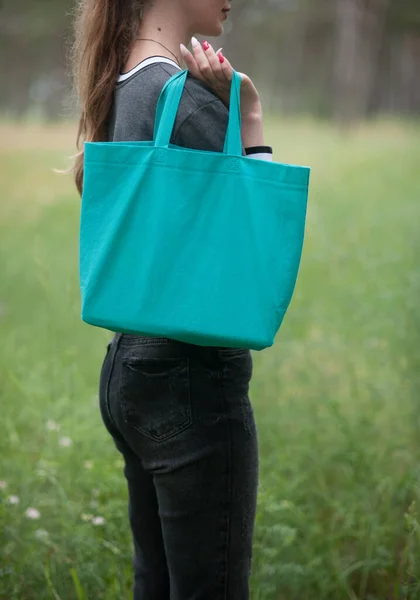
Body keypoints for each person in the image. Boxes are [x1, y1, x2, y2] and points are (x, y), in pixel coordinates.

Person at [70, 1, 274, 598]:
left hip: (130, 366)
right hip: (191, 373)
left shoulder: (125, 78)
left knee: (155, 584)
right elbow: (252, 248)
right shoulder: (179, 93)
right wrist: (251, 117)